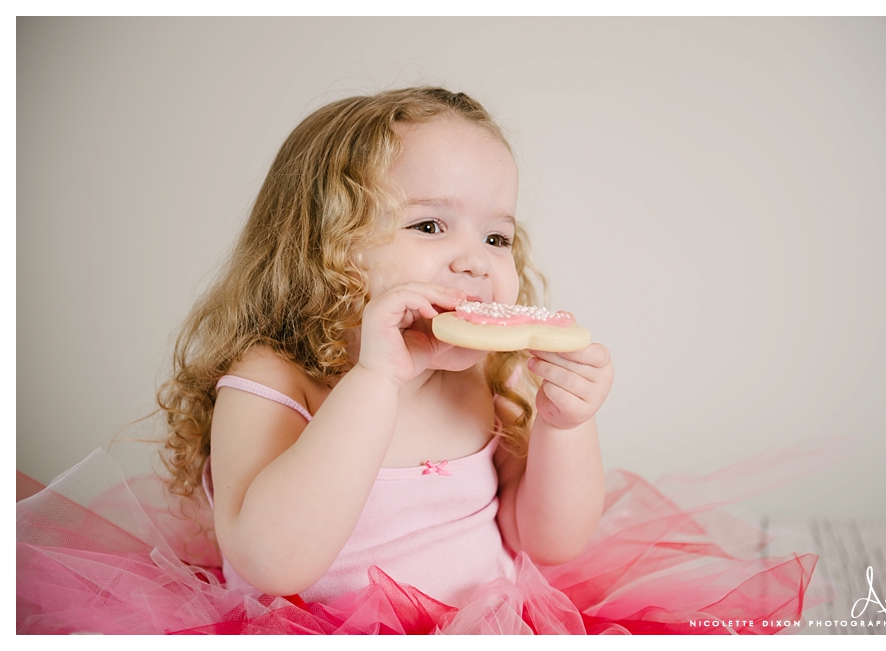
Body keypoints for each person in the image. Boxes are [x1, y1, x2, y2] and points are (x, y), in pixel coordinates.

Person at [17, 88, 828, 635]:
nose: (476, 259)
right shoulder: (274, 377)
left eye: (497, 234)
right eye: (431, 227)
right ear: (323, 245)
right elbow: (272, 561)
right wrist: (376, 380)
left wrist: (566, 423)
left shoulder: (477, 373)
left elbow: (550, 541)